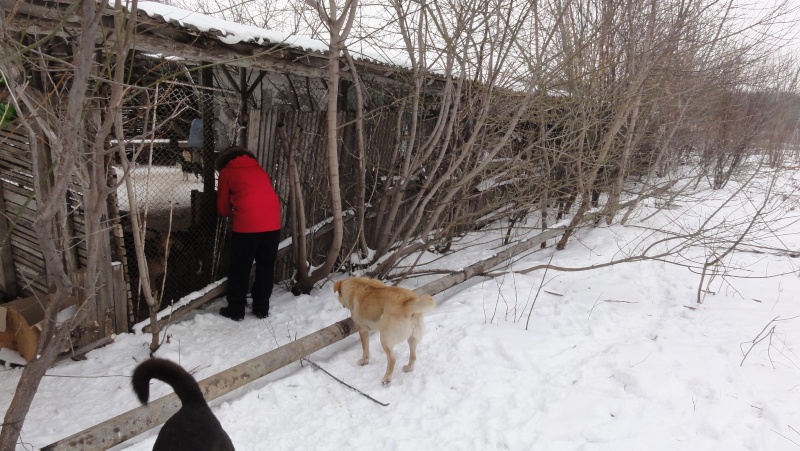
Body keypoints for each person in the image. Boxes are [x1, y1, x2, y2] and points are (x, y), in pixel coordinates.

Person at [216, 146, 281, 321]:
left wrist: (232, 205)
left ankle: (236, 310)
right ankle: (261, 308)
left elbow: (222, 209)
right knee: (266, 266)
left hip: (247, 227)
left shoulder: (226, 172)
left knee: (240, 268)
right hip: (273, 224)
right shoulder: (259, 169)